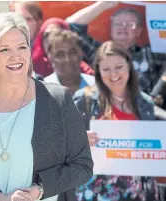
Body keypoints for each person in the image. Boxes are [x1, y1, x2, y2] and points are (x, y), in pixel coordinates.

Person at [0, 12, 93, 201]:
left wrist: (39, 190)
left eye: (22, 47)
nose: (16, 56)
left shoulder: (59, 99)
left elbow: (82, 166)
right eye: (5, 49)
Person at [73, 41, 161, 201]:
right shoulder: (84, 100)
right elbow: (60, 142)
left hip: (139, 192)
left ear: (129, 65)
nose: (113, 74)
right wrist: (79, 140)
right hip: (96, 191)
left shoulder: (145, 104)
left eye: (119, 67)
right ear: (98, 71)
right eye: (106, 69)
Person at [67, 2, 166, 97]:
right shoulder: (98, 51)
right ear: (111, 28)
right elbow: (70, 26)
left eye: (129, 24)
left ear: (138, 31)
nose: (123, 27)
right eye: (118, 23)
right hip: (105, 108)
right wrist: (103, 4)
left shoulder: (149, 53)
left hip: (143, 109)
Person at [44, 29, 95, 94]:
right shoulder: (43, 89)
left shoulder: (95, 86)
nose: (67, 59)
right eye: (60, 54)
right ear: (51, 58)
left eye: (72, 52)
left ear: (81, 54)